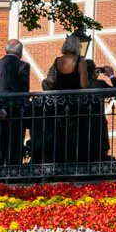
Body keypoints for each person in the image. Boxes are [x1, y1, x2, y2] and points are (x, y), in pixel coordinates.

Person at [42, 33, 96, 164]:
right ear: (77, 46)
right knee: (76, 136)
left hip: (59, 102)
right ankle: (74, 163)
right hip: (75, 103)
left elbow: (52, 81)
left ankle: (59, 163)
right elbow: (84, 85)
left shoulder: (57, 61)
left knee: (59, 135)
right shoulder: (80, 61)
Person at [0, 39, 30, 168]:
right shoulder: (23, 66)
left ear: (6, 50)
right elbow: (22, 91)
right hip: (15, 114)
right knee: (14, 147)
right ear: (20, 53)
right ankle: (13, 173)